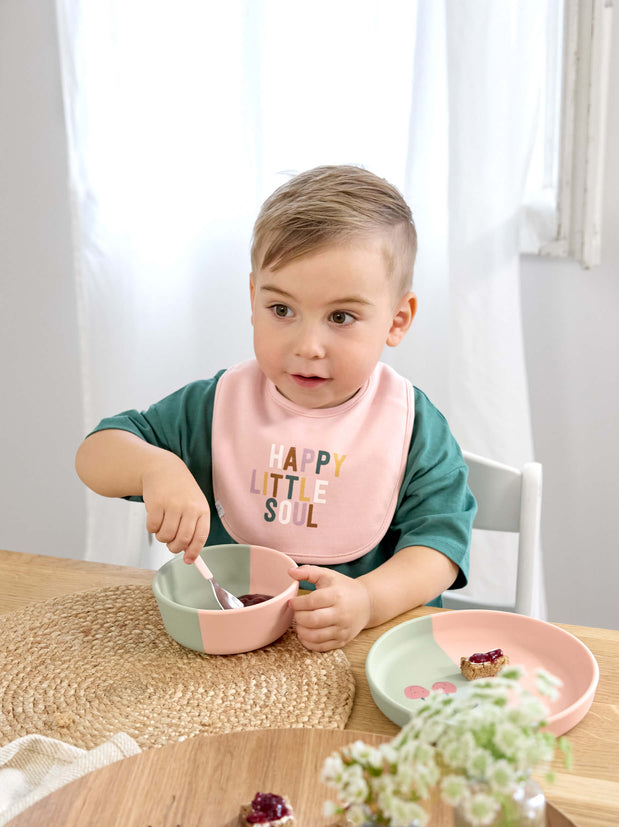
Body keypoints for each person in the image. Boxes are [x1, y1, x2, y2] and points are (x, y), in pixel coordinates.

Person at [75, 165, 477, 652]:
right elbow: (95, 455)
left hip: (362, 652)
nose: (307, 345)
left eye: (341, 317)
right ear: (252, 299)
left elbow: (441, 547)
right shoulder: (216, 406)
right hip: (228, 664)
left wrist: (368, 600)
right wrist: (153, 467)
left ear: (397, 320)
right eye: (281, 310)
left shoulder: (412, 425)